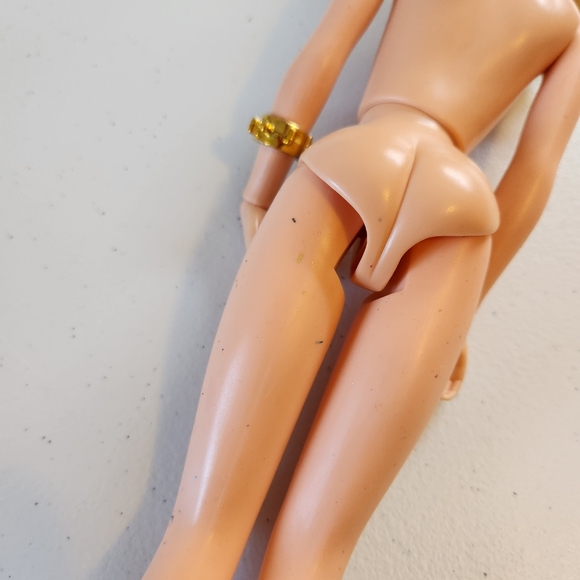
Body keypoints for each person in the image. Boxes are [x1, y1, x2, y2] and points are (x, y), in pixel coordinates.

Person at [143, 1, 580, 578]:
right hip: (459, 206)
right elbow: (534, 174)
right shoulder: (570, 21)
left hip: (356, 159)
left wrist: (262, 186)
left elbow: (324, 52)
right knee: (314, 551)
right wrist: (461, 316)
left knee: (205, 526)